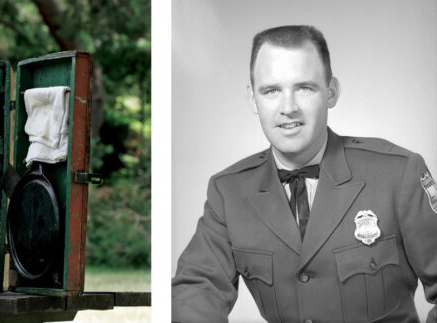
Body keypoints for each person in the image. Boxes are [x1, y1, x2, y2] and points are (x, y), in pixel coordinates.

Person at [172, 25, 437, 322]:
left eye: (304, 88)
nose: (288, 108)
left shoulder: (397, 174)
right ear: (252, 99)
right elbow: (196, 288)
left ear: (331, 92)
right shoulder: (228, 192)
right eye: (271, 90)